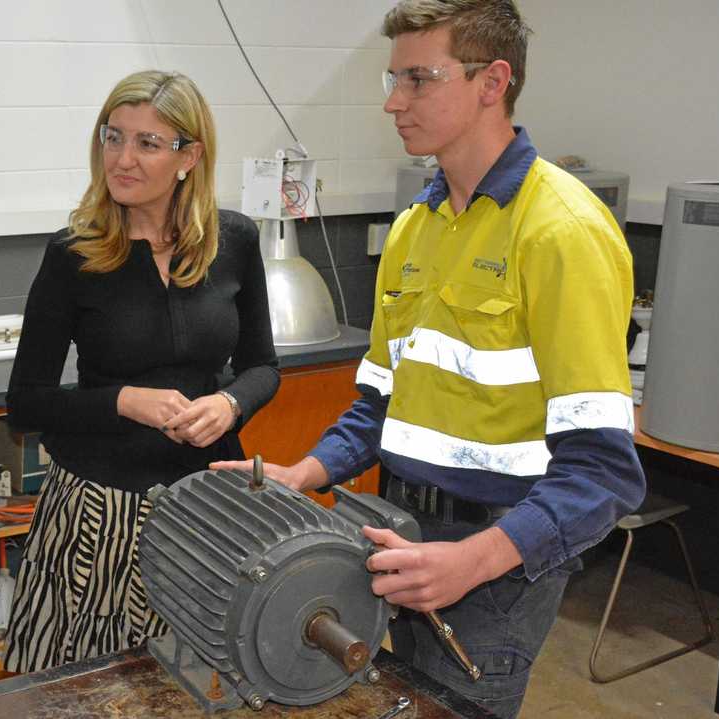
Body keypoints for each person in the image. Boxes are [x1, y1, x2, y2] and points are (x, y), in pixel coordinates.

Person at [214, 2, 644, 716]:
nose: (392, 103)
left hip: (494, 565)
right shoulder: (417, 227)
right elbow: (379, 408)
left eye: (418, 79)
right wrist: (303, 472)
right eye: (392, 78)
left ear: (492, 82)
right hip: (397, 539)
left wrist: (470, 561)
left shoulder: (561, 231)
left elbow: (602, 472)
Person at [1, 70, 280, 673]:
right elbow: (25, 403)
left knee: (190, 681)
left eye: (148, 143)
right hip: (97, 516)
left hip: (205, 506)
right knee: (83, 689)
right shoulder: (74, 253)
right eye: (112, 137)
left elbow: (262, 367)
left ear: (190, 156)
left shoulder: (233, 240)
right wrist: (122, 400)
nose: (122, 159)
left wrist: (229, 406)